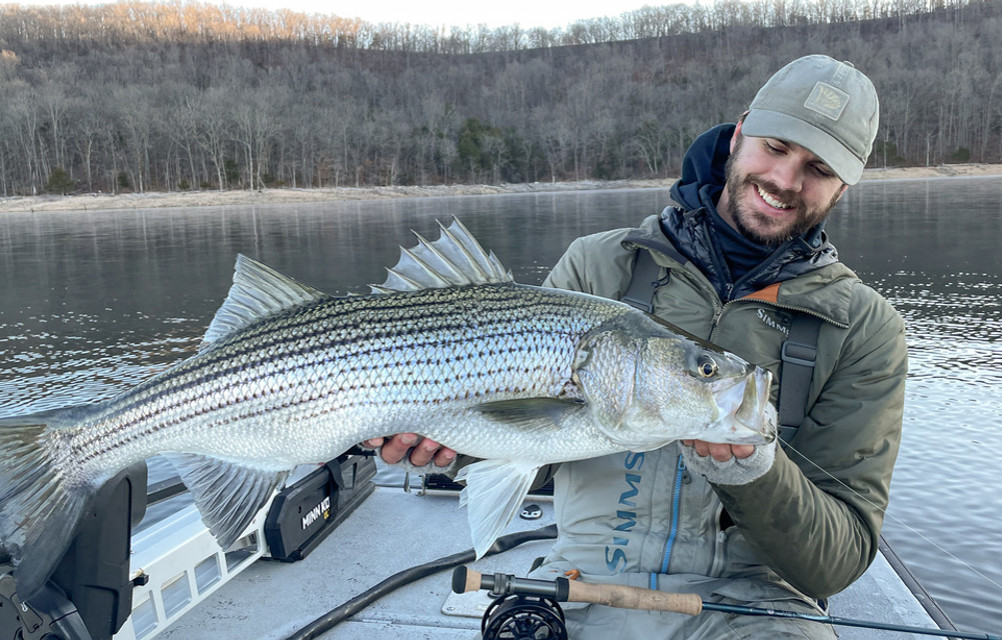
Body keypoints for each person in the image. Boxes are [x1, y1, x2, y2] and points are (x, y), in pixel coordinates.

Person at [365, 54, 907, 638]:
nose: (785, 180)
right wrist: (449, 445)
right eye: (776, 147)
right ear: (741, 131)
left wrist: (757, 472)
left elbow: (841, 560)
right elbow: (525, 440)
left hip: (757, 605)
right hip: (579, 581)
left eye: (819, 168)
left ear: (844, 185)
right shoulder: (597, 264)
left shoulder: (865, 329)